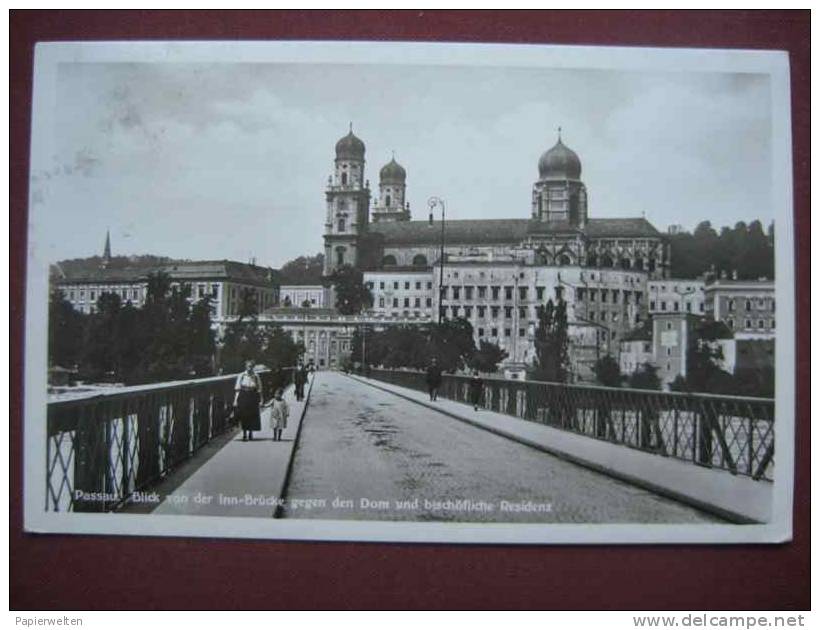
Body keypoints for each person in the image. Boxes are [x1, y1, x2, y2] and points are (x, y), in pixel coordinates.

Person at [233, 359, 263, 441]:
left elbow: (259, 389)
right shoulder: (241, 375)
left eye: (251, 366)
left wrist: (261, 400)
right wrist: (235, 401)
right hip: (243, 396)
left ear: (253, 367)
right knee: (244, 416)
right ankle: (244, 433)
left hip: (252, 396)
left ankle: (250, 433)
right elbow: (238, 389)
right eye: (248, 366)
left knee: (252, 415)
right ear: (246, 367)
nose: (250, 368)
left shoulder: (256, 376)